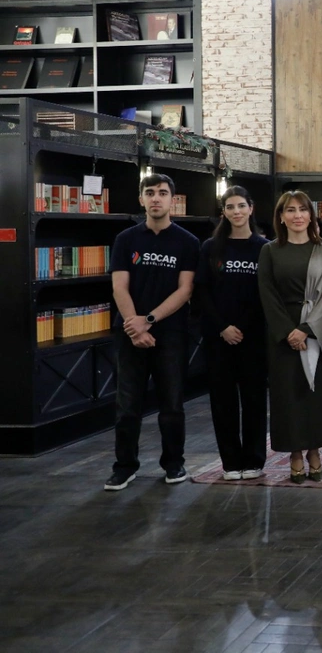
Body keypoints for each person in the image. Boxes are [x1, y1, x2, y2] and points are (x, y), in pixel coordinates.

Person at [104, 173, 200, 491]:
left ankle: (173, 463)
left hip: (170, 334)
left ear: (173, 200)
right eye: (150, 192)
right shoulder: (126, 239)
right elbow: (119, 287)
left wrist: (148, 320)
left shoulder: (188, 242)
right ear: (141, 199)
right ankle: (124, 467)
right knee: (127, 405)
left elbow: (185, 290)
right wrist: (135, 326)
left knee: (171, 405)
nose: (156, 198)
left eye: (162, 192)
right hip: (129, 333)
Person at [258, 191, 322, 483]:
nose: (297, 215)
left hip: (317, 330)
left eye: (303, 210)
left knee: (313, 394)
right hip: (281, 334)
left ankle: (314, 451)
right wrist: (287, 331)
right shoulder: (269, 250)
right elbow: (267, 294)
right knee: (288, 395)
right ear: (281, 217)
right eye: (290, 210)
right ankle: (295, 453)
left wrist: (306, 329)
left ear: (311, 215)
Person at [194, 186, 269, 481]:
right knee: (222, 402)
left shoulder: (264, 248)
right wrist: (223, 327)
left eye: (241, 206)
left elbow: (265, 295)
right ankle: (230, 463)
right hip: (218, 338)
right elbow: (202, 292)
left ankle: (254, 460)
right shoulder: (210, 248)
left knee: (254, 401)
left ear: (251, 208)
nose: (236, 211)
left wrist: (243, 327)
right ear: (223, 212)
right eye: (230, 207)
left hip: (254, 338)